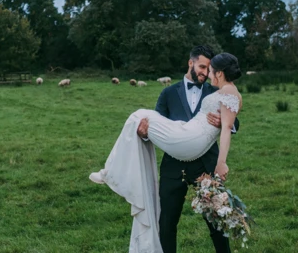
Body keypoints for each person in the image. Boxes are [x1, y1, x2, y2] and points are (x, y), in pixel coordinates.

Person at [89, 48, 243, 253]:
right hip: (174, 166)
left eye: (209, 69)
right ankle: (111, 170)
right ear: (191, 63)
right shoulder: (168, 92)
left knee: (216, 222)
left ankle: (109, 171)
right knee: (167, 224)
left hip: (205, 166)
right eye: (202, 67)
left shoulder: (217, 90)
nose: (206, 73)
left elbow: (231, 123)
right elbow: (158, 124)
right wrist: (144, 133)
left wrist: (225, 124)